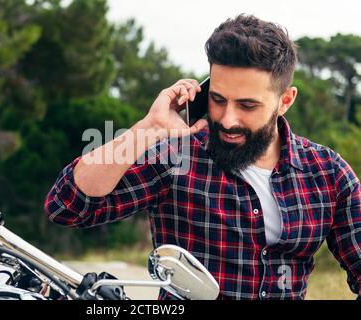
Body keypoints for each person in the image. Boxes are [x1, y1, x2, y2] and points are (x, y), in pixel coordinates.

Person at [44, 14, 361, 300]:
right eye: (218, 99)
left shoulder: (328, 173)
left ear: (285, 101)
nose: (227, 119)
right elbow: (67, 206)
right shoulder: (176, 156)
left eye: (248, 105)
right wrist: (149, 127)